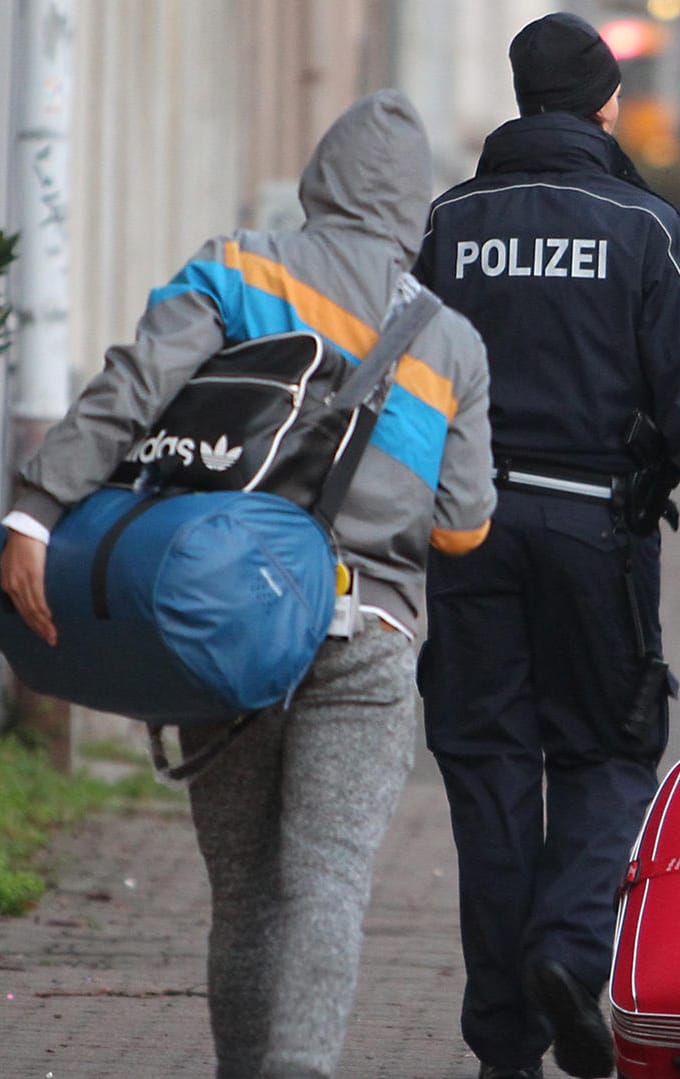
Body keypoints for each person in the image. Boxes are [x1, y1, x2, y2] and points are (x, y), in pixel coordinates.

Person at [0, 90, 497, 1079]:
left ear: (319, 179)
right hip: (367, 632)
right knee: (327, 882)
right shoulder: (449, 340)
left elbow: (132, 387)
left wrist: (34, 510)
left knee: (243, 887)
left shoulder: (238, 265)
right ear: (413, 204)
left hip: (223, 614)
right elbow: (463, 526)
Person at [411, 13, 680, 1079]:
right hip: (594, 530)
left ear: (520, 95)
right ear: (603, 103)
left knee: (487, 768)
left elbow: (402, 381)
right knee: (609, 750)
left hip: (466, 528)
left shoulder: (450, 222)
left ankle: (504, 1044)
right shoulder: (642, 225)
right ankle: (570, 954)